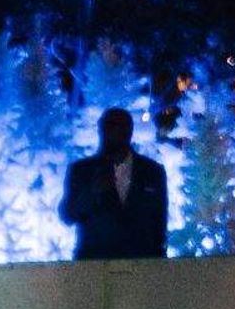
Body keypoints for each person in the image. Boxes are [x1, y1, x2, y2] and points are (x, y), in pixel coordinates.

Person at [61, 107, 169, 260]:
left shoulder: (152, 172)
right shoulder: (82, 170)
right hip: (93, 266)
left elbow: (160, 223)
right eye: (110, 126)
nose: (115, 132)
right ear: (101, 129)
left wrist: (158, 264)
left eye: (121, 127)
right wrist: (93, 192)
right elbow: (67, 215)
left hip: (141, 266)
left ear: (130, 131)